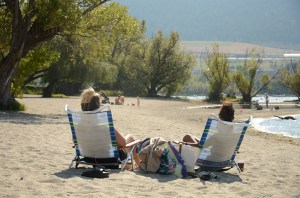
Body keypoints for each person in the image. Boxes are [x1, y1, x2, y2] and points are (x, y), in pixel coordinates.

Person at [80, 88, 140, 166]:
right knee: (130, 138)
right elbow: (123, 143)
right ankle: (140, 165)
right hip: (107, 159)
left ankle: (130, 165)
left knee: (120, 145)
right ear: (98, 106)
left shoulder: (80, 123)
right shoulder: (103, 123)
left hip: (88, 157)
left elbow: (77, 142)